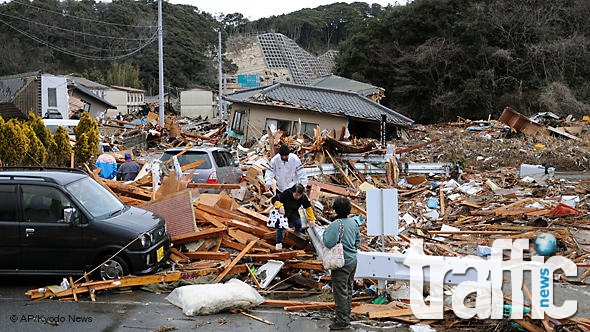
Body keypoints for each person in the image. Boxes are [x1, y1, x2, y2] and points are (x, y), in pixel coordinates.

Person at [322, 197, 361, 330]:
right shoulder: (353, 222)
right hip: (352, 261)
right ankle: (345, 314)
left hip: (341, 262)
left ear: (336, 209)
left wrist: (325, 233)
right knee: (348, 289)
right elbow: (358, 240)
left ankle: (342, 320)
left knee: (340, 291)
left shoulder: (336, 224)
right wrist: (352, 249)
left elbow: (328, 242)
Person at [271, 183, 316, 250]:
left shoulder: (303, 197)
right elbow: (274, 199)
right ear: (293, 192)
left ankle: (298, 240)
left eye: (299, 195)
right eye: (296, 195)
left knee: (298, 224)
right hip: (283, 211)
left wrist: (312, 219)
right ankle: (279, 243)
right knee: (281, 227)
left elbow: (308, 207)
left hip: (293, 212)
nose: (298, 197)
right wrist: (280, 206)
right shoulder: (287, 193)